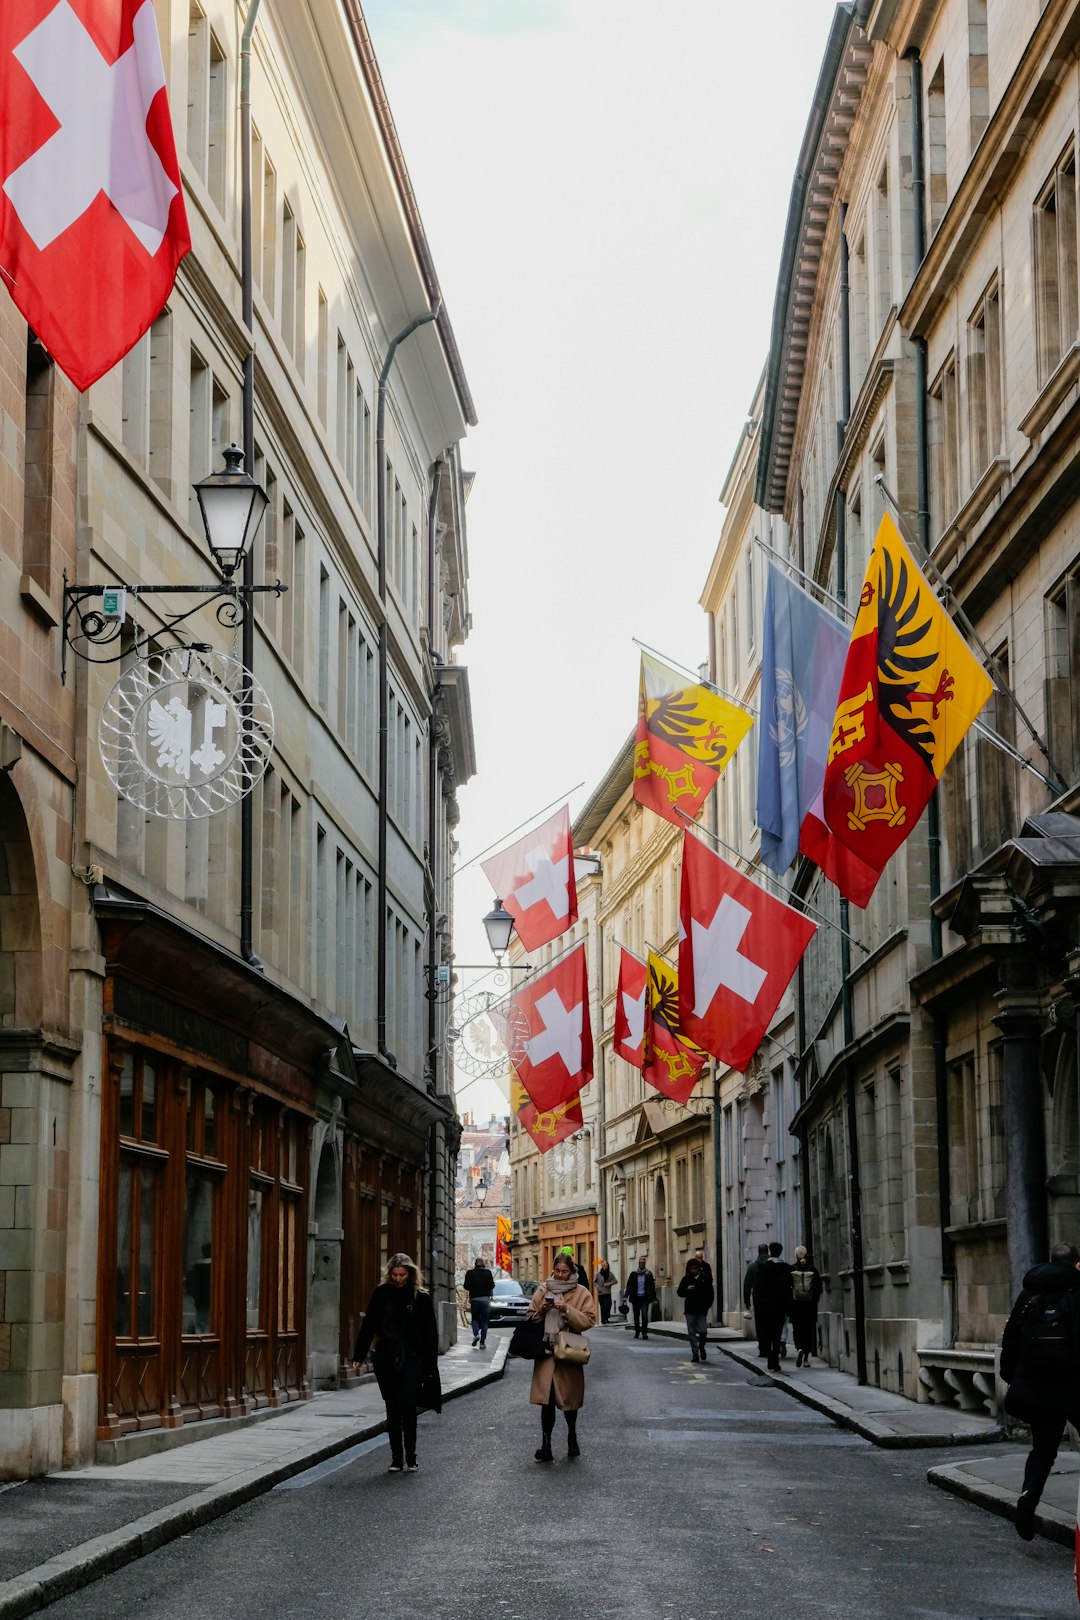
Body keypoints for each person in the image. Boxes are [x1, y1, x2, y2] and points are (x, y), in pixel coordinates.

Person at [1000, 1240, 1080, 1540]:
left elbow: (1011, 1339)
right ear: (1077, 1264)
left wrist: (1013, 1378)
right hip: (1074, 1388)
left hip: (1035, 1387)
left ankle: (1028, 1498)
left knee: (1043, 1451)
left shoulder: (1029, 1293)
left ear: (1050, 1261)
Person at [352, 1253, 438, 1474]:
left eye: (403, 1274)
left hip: (412, 1358)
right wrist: (358, 1356)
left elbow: (430, 1334)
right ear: (389, 1274)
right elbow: (369, 1325)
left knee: (408, 1405)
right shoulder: (381, 1294)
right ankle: (396, 1458)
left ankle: (411, 1456)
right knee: (392, 1408)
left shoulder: (421, 1297)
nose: (399, 1279)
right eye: (395, 1274)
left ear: (410, 1274)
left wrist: (430, 1365)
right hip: (387, 1357)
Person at [526, 1251, 596, 1461]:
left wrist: (567, 1309)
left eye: (564, 1272)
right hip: (546, 1353)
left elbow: (589, 1321)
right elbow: (531, 1317)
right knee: (546, 1402)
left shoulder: (581, 1292)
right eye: (556, 1271)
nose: (559, 1275)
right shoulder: (544, 1288)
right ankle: (545, 1445)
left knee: (569, 1401)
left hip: (568, 1353)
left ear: (571, 1271)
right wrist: (543, 1309)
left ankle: (572, 1436)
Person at [751, 1241, 793, 1373]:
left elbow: (756, 1288)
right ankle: (775, 1358)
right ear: (780, 1252)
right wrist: (789, 1307)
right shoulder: (786, 1268)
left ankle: (770, 1355)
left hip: (764, 1306)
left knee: (767, 1332)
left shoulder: (762, 1268)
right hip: (779, 1306)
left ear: (770, 1252)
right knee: (777, 1333)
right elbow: (789, 1290)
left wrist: (757, 1304)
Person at [788, 1245, 823, 1367]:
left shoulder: (791, 1268)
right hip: (810, 1305)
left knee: (797, 1329)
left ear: (796, 1255)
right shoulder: (812, 1269)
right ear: (806, 1255)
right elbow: (819, 1287)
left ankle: (799, 1349)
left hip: (796, 1305)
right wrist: (814, 1299)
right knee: (808, 1330)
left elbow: (787, 1288)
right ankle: (806, 1358)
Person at [677, 1256, 715, 1362]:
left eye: (695, 1268)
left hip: (702, 1310)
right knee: (692, 1332)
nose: (693, 1270)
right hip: (690, 1309)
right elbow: (680, 1292)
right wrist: (687, 1289)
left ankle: (701, 1346)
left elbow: (710, 1294)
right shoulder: (686, 1278)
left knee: (703, 1331)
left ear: (698, 1268)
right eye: (691, 1269)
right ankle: (695, 1354)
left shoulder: (705, 1278)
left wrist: (707, 1305)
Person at [462, 1255, 495, 1348]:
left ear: (475, 1264)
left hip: (474, 1299)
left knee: (475, 1318)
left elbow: (466, 1286)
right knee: (484, 1321)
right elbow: (492, 1286)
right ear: (483, 1264)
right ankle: (482, 1343)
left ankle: (476, 1334)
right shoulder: (488, 1273)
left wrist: (473, 1287)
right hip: (485, 1299)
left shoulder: (470, 1273)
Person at [743, 1243, 770, 1356]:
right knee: (772, 1324)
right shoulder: (773, 1264)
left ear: (758, 1252)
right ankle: (772, 1346)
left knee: (760, 1325)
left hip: (758, 1300)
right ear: (767, 1251)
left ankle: (763, 1349)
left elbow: (747, 1285)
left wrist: (747, 1301)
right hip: (773, 1299)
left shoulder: (753, 1266)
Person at [625, 1256, 657, 1339]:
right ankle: (637, 1332)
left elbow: (652, 1287)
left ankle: (644, 1333)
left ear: (645, 1264)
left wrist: (654, 1298)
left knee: (644, 1315)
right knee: (636, 1316)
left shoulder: (648, 1274)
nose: (642, 1264)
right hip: (636, 1298)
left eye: (643, 1263)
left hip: (644, 1298)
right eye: (640, 1263)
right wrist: (625, 1296)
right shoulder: (634, 1274)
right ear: (638, 1264)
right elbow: (629, 1286)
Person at [594, 1260, 615, 1325]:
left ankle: (606, 1317)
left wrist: (609, 1283)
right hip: (601, 1292)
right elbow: (594, 1282)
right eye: (604, 1265)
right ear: (602, 1266)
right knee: (602, 1306)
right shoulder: (598, 1274)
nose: (605, 1267)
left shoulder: (610, 1274)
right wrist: (598, 1287)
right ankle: (603, 1319)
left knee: (608, 1305)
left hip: (608, 1292)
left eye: (606, 1265)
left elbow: (615, 1281)